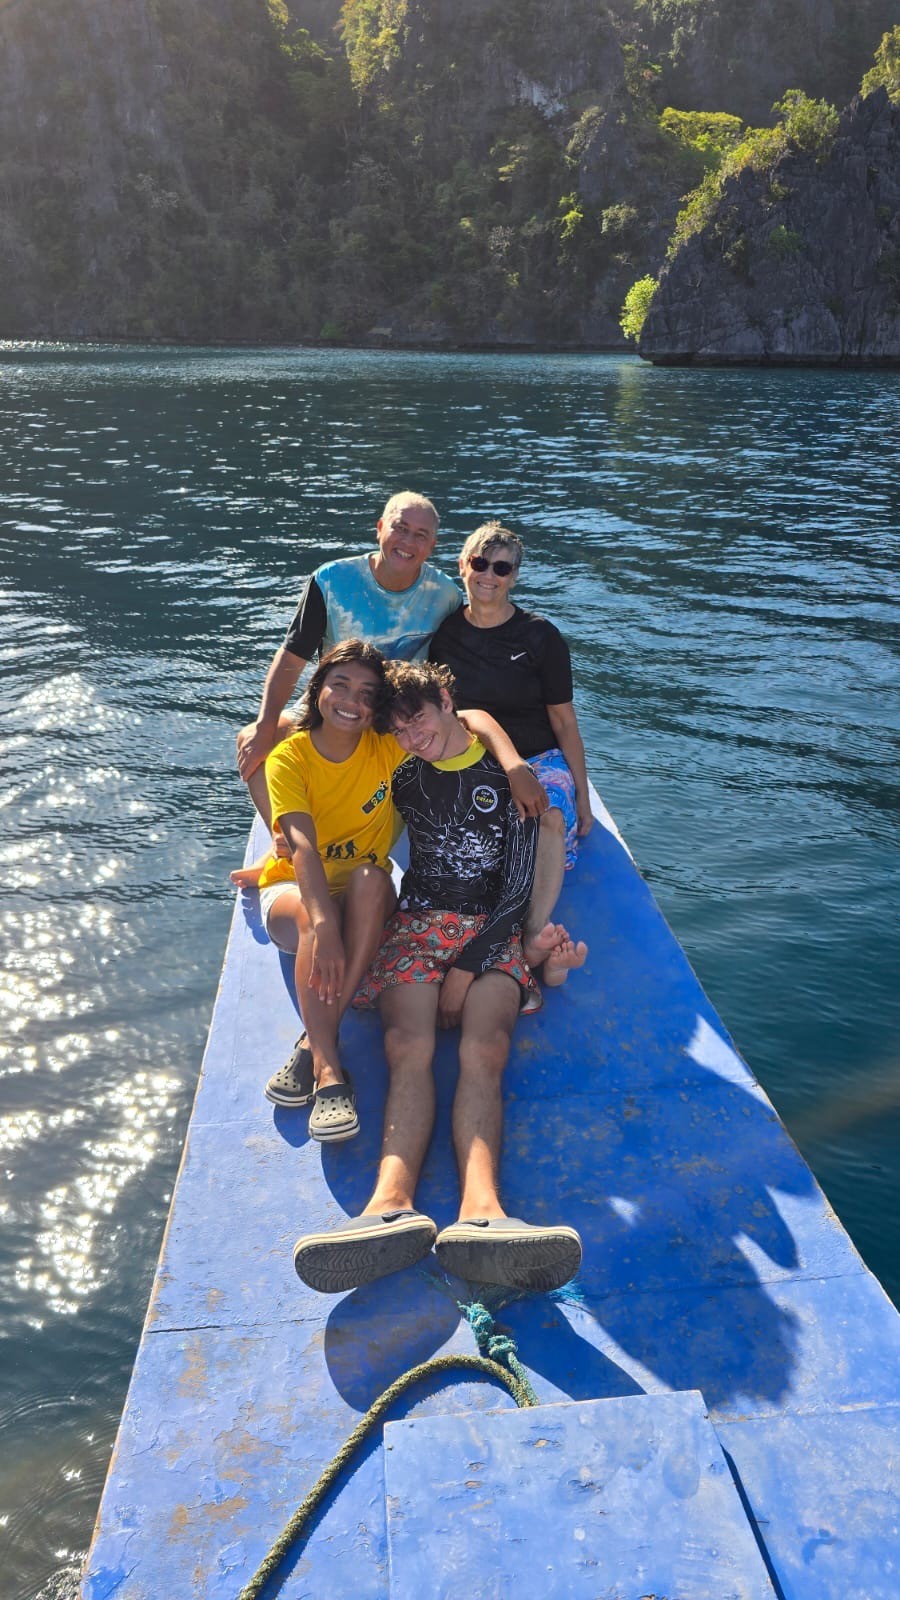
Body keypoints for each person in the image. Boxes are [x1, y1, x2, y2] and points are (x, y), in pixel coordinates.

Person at [292, 661, 583, 1296]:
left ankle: (484, 1209)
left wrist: (468, 967)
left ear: (446, 701)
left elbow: (515, 888)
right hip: (420, 923)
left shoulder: (509, 781)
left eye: (417, 720)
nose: (411, 737)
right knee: (406, 1046)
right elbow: (330, 765)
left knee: (486, 1048)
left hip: (492, 930)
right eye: (397, 730)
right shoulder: (402, 773)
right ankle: (389, 1205)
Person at [249, 642, 553, 1138]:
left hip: (362, 891)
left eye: (366, 694)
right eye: (340, 685)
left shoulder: (389, 745)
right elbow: (301, 847)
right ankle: (327, 1065)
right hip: (297, 890)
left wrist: (514, 764)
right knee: (314, 919)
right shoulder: (291, 757)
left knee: (372, 878)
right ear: (318, 688)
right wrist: (323, 922)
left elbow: (466, 717)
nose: (352, 701)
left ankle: (312, 1039)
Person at [236, 490, 461, 831]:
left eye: (421, 535)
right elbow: (292, 656)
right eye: (400, 528)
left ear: (433, 545)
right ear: (380, 528)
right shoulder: (331, 580)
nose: (407, 542)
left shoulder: (446, 596)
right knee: (252, 740)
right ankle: (284, 839)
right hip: (337, 702)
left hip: (400, 713)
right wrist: (266, 724)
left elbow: (450, 672)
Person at [429, 520, 590, 987]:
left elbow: (564, 721)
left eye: (502, 568)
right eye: (480, 563)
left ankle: (535, 934)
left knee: (548, 816)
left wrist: (581, 796)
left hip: (538, 756)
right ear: (463, 565)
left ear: (514, 577)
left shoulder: (540, 637)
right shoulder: (446, 637)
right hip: (475, 760)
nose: (489, 576)